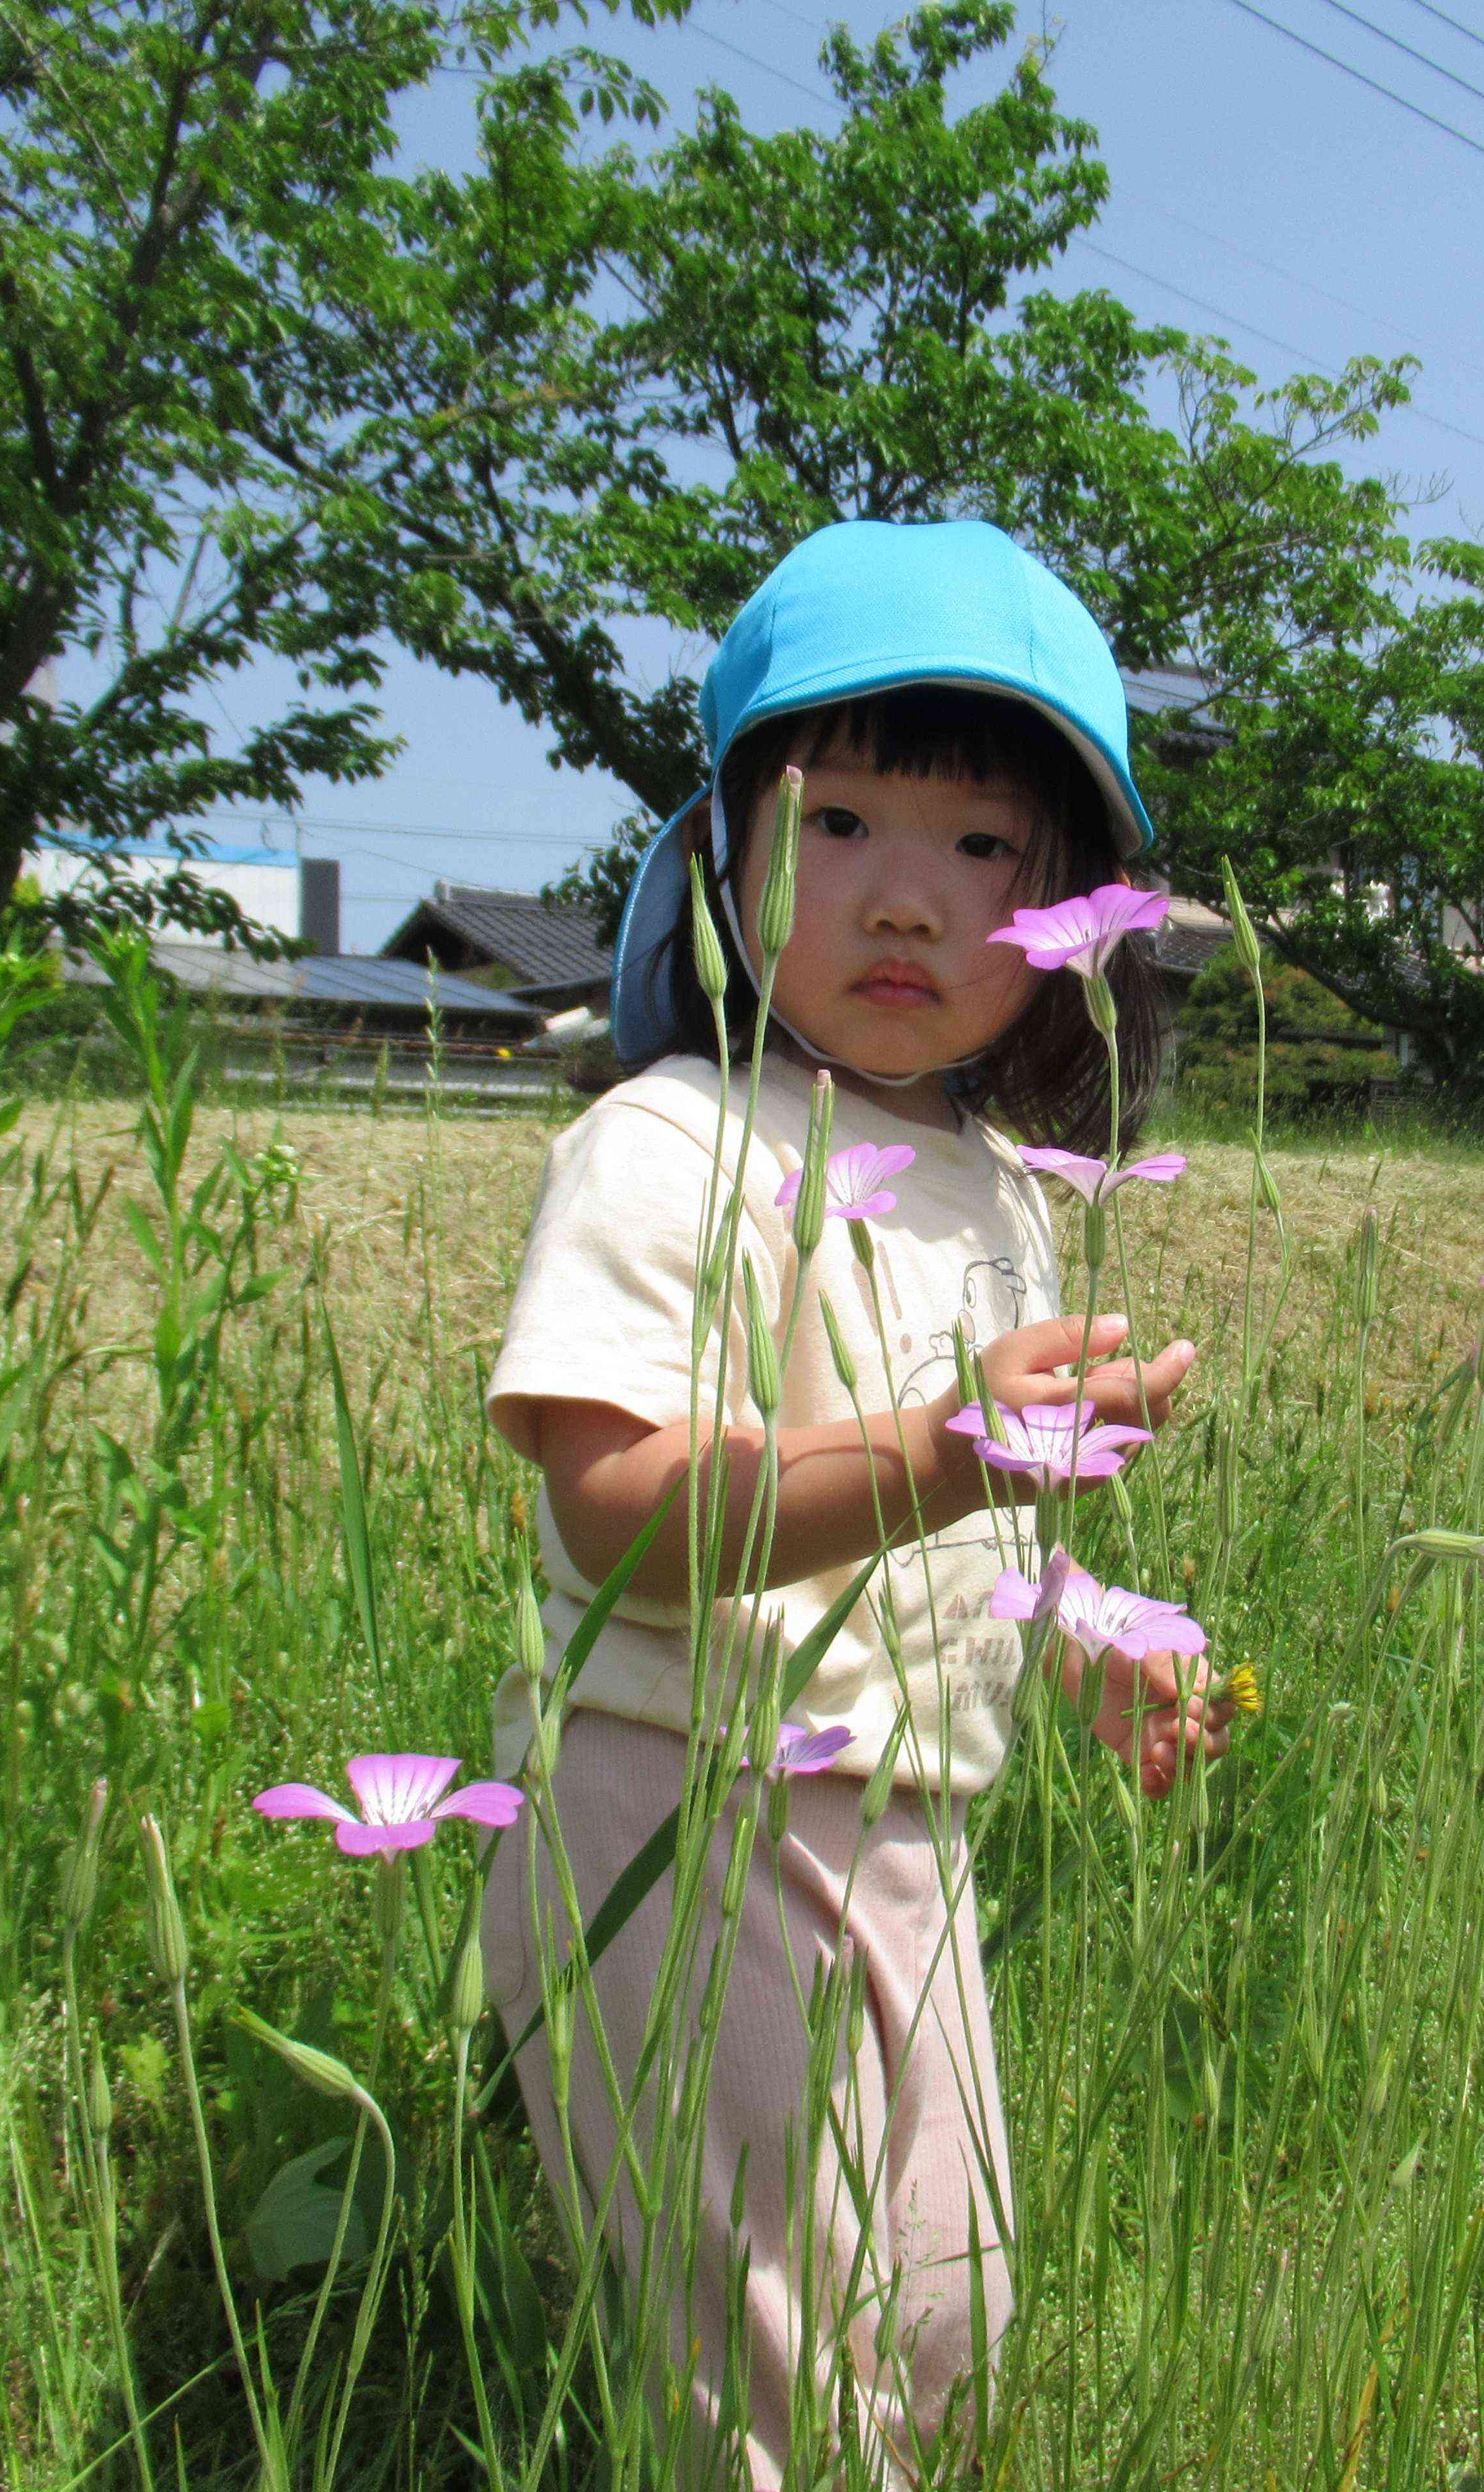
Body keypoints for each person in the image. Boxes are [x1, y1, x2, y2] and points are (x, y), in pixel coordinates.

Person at [479, 518, 1229, 2486]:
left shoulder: (1011, 1187)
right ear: (724, 854)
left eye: (985, 848)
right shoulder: (665, 1142)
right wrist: (949, 1451)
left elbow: (982, 1534)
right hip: (676, 1807)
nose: (909, 897)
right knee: (760, 2375)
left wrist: (1096, 1639)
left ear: (1074, 907)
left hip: (914, 1828)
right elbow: (619, 1517)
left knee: (946, 2318)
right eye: (838, 826)